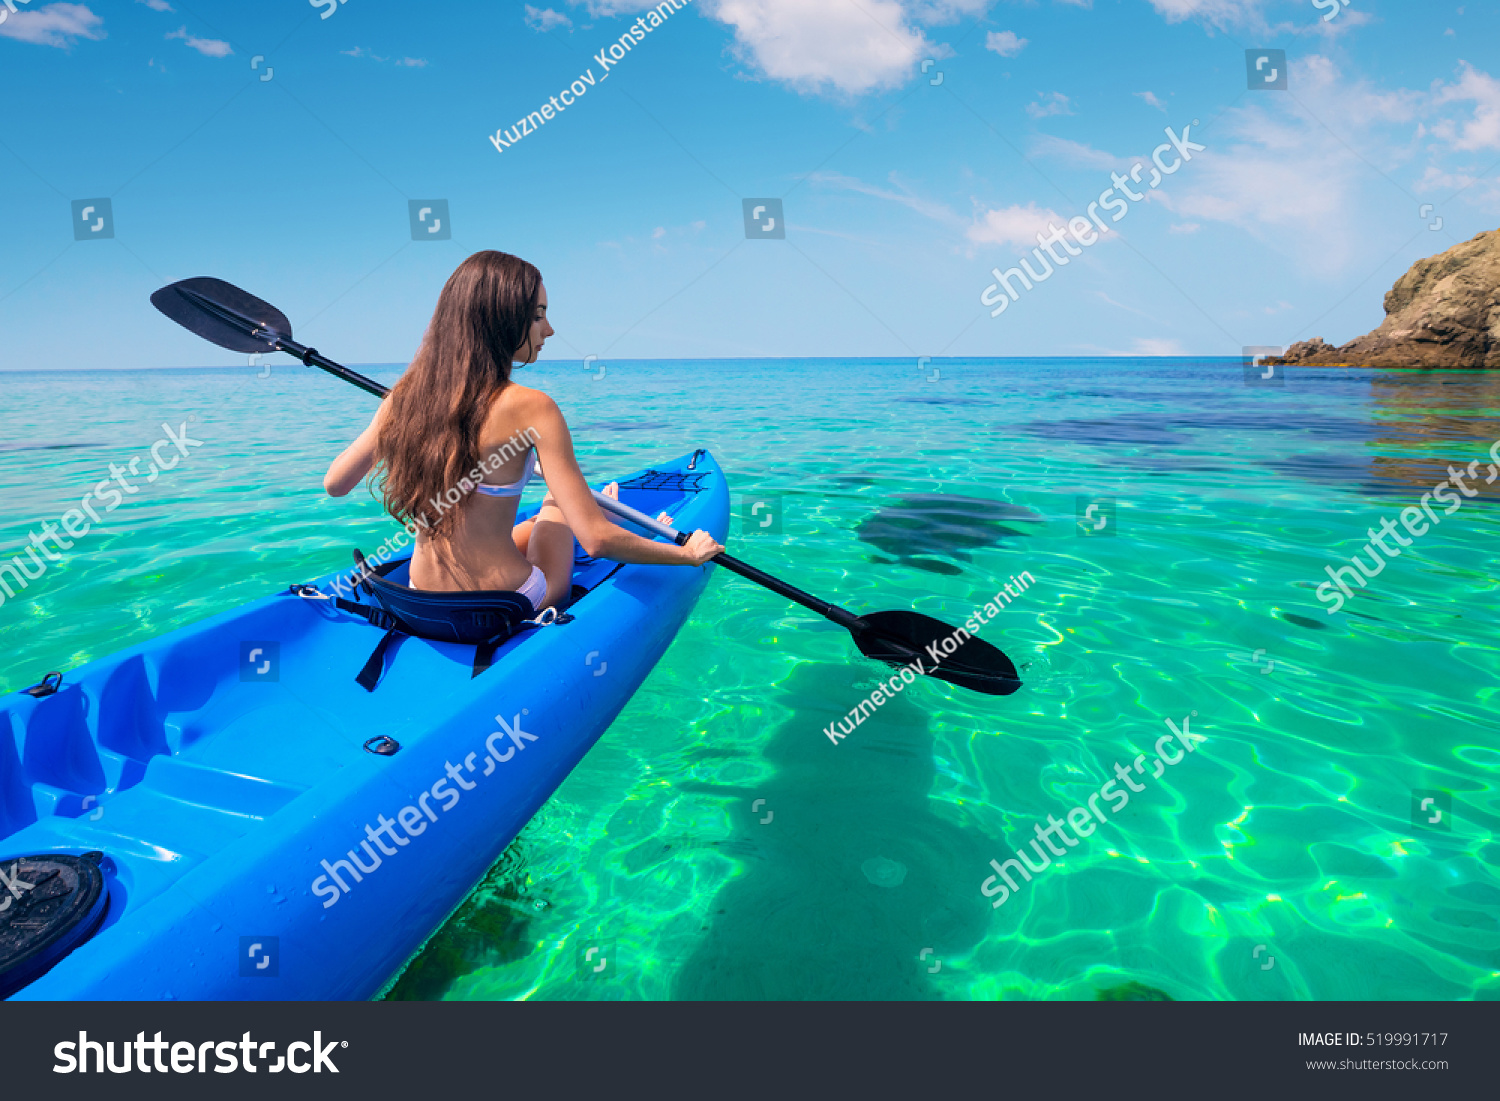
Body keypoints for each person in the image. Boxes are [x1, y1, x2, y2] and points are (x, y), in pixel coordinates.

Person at [323, 250, 723, 613]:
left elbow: (336, 484)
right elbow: (597, 541)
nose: (548, 330)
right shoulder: (535, 407)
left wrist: (397, 417)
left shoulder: (405, 398)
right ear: (499, 320)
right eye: (537, 315)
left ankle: (573, 505)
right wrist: (687, 554)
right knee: (556, 507)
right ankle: (573, 504)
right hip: (503, 604)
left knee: (534, 524)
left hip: (418, 594)